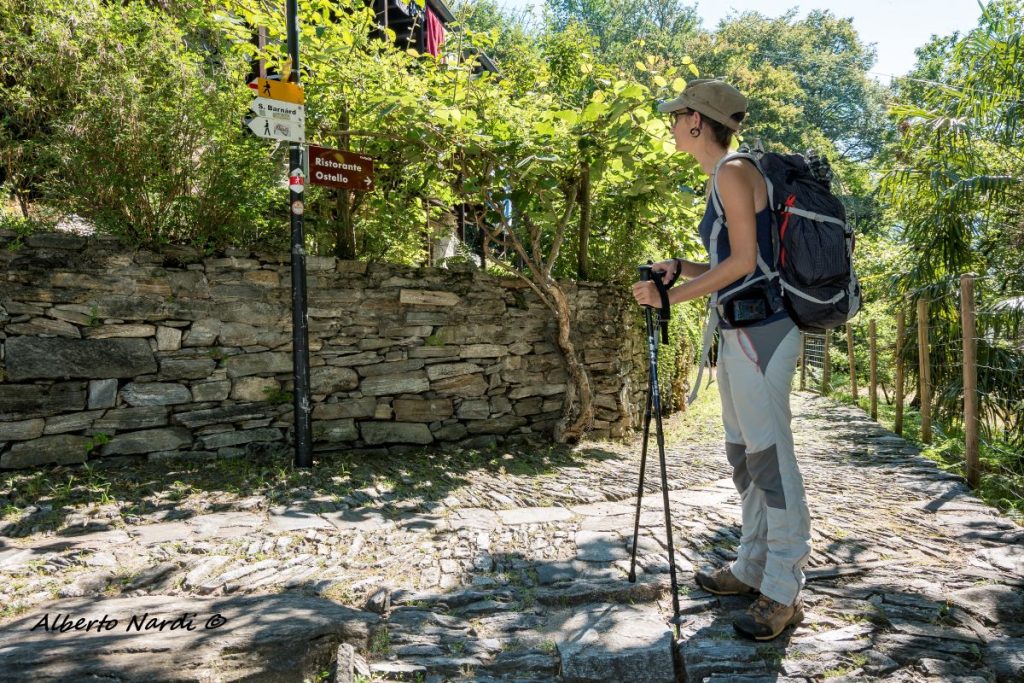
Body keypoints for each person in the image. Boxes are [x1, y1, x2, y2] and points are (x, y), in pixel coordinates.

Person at [631, 78, 811, 641]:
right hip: (741, 331)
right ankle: (751, 567)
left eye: (675, 115)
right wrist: (681, 268)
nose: (670, 124)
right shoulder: (725, 176)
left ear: (696, 121)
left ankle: (783, 589)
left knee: (771, 461)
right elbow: (732, 260)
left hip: (762, 332)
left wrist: (669, 297)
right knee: (745, 456)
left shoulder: (732, 172)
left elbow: (741, 264)